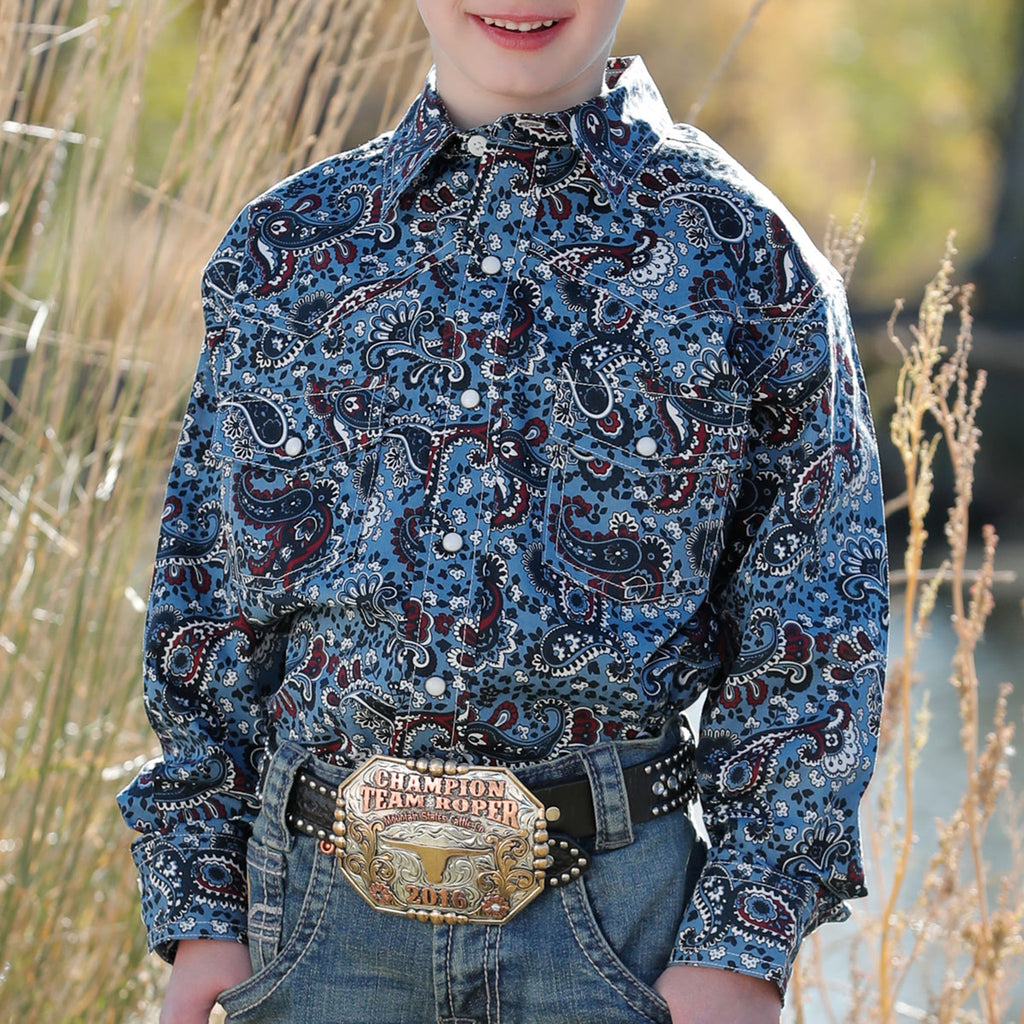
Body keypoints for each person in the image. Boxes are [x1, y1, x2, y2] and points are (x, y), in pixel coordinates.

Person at [118, 3, 889, 1022]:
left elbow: (815, 630)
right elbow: (206, 599)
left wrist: (742, 945)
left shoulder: (748, 259)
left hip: (616, 933)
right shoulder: (286, 252)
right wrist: (203, 904)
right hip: (315, 929)